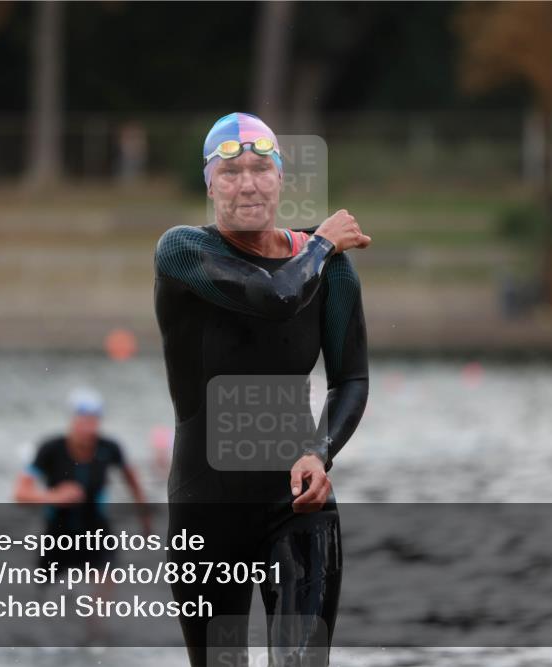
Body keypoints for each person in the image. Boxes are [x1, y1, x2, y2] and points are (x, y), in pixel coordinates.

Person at [154, 112, 370, 666]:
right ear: (209, 184)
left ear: (280, 177)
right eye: (229, 172)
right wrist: (322, 244)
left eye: (259, 168)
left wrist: (321, 452)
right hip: (207, 508)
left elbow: (350, 379)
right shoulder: (182, 254)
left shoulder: (332, 270)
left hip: (297, 500)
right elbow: (274, 296)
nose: (246, 182)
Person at [14, 387, 151, 574]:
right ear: (72, 420)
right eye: (83, 420)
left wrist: (145, 517)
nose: (88, 427)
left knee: (103, 592)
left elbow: (133, 482)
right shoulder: (51, 449)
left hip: (97, 533)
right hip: (57, 534)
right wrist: (54, 497)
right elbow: (20, 494)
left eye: (94, 420)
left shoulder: (110, 448)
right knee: (48, 598)